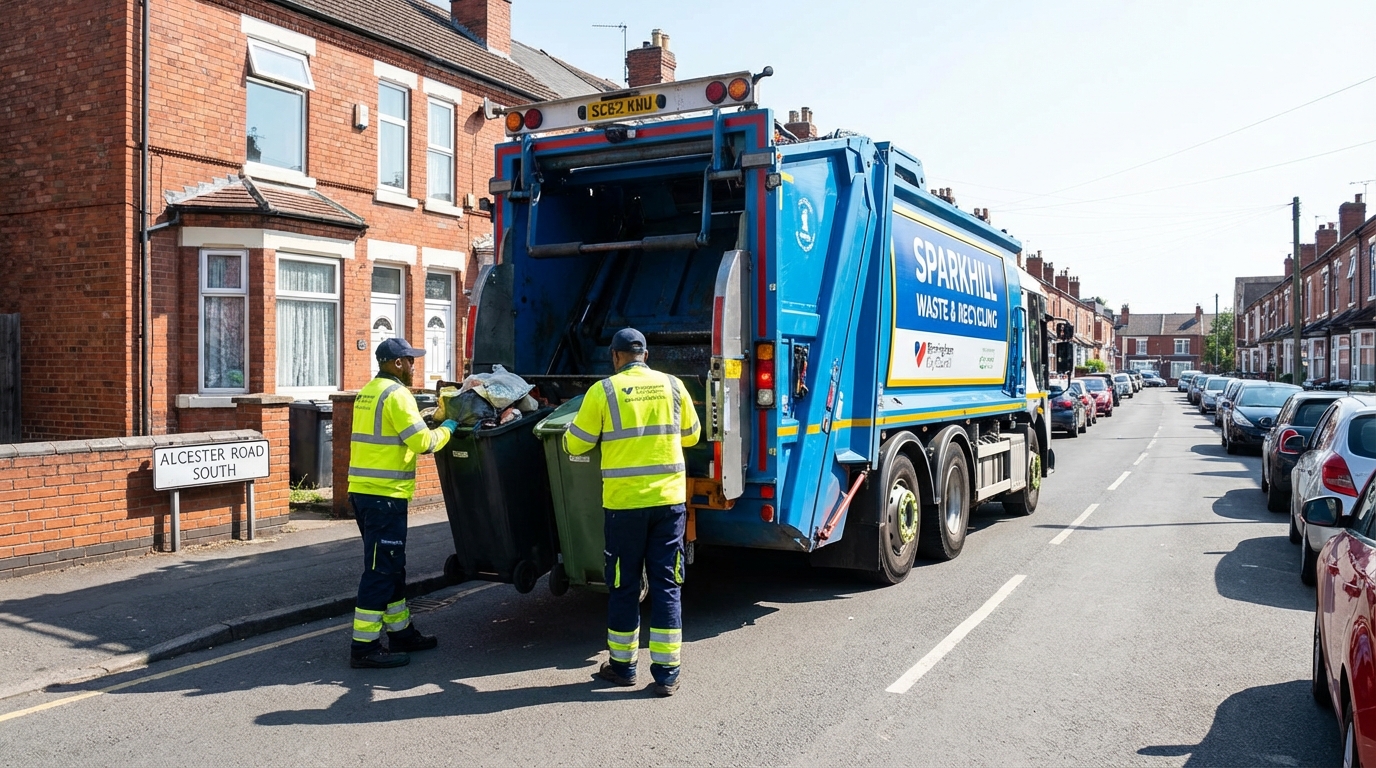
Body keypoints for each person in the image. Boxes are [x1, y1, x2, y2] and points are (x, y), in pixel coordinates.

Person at [564, 328, 701, 696]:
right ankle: (668, 673)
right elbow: (691, 435)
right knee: (667, 584)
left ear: (615, 356)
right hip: (668, 504)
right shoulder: (673, 386)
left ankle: (623, 667)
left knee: (624, 585)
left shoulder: (603, 391)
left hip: (625, 506)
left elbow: (576, 442)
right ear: (646, 355)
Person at [347, 337, 458, 669]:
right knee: (381, 572)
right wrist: (449, 427)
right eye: (410, 360)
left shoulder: (367, 392)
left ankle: (401, 632)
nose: (413, 366)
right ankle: (363, 647)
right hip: (385, 498)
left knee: (392, 567)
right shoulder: (397, 395)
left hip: (365, 493)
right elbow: (422, 442)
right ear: (397, 363)